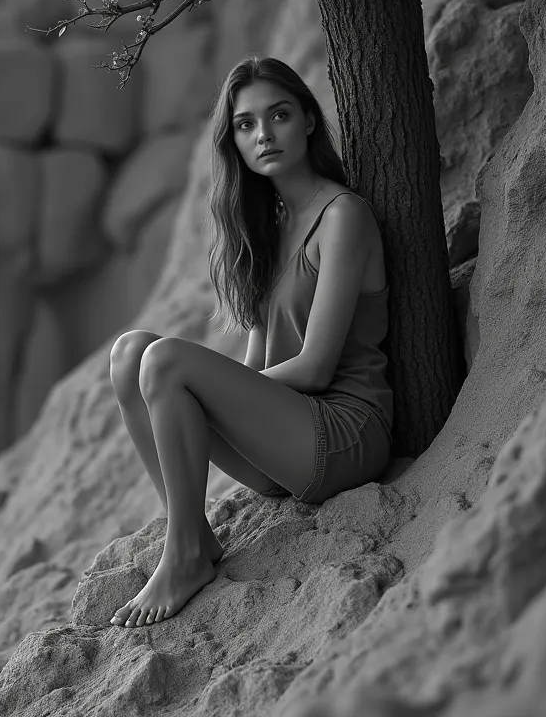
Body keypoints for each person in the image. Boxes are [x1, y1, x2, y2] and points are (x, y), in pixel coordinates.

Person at [107, 55, 394, 629]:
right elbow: (256, 366)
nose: (264, 134)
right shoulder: (267, 229)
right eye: (245, 124)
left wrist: (205, 393)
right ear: (232, 141)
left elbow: (313, 369)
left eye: (279, 115)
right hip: (285, 444)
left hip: (344, 435)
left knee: (163, 363)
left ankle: (184, 555)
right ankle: (194, 538)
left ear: (308, 121)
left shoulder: (344, 216)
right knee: (129, 354)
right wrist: (214, 396)